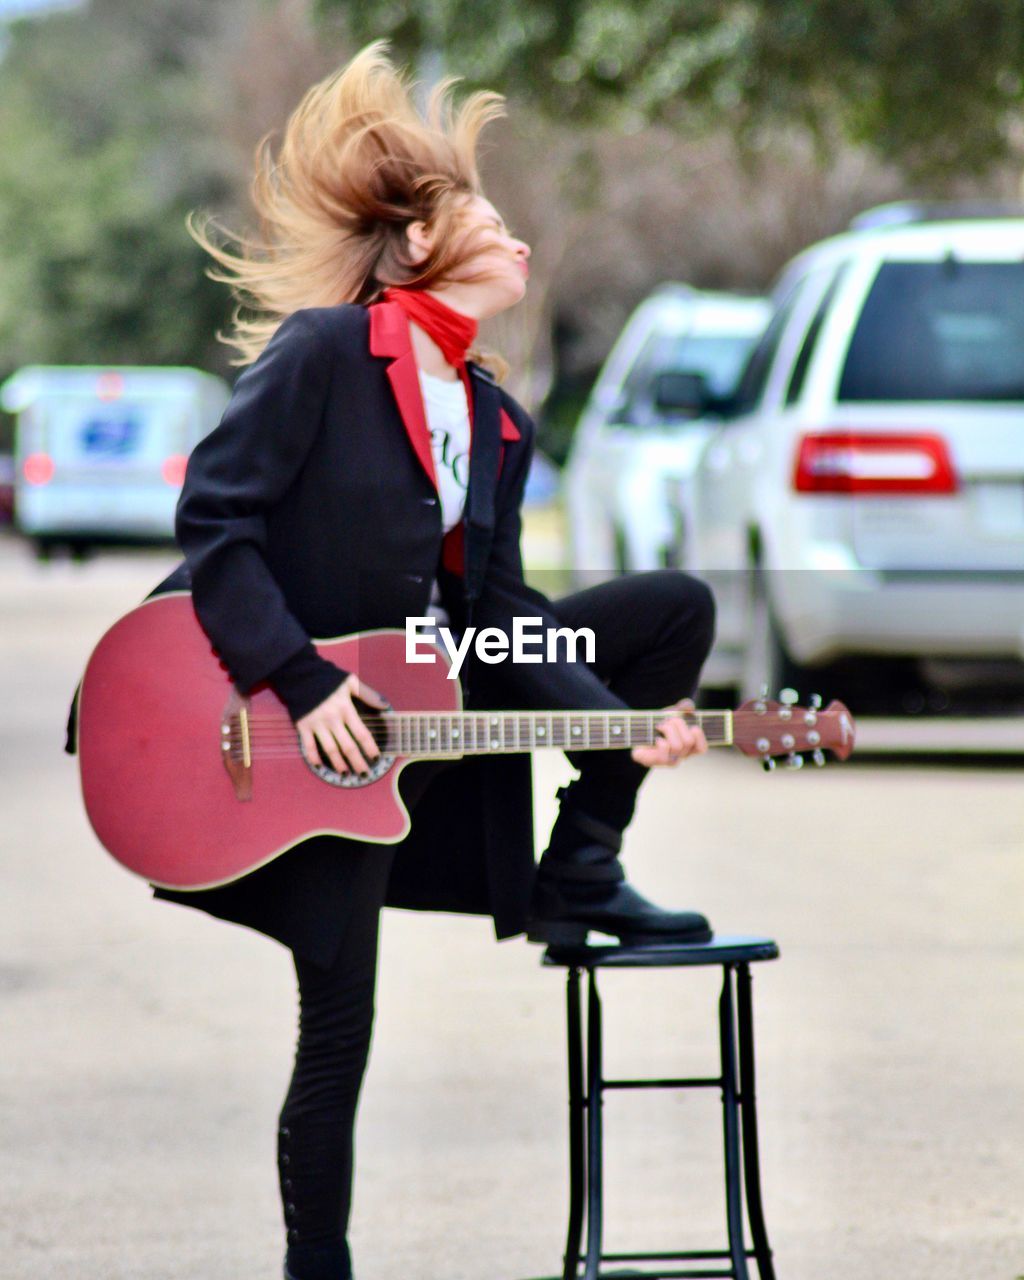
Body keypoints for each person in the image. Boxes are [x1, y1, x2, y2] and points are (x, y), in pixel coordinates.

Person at [142, 43, 716, 1280]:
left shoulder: (496, 415)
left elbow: (501, 618)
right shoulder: (319, 356)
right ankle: (318, 1268)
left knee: (672, 610)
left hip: (427, 694)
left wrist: (621, 722)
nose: (518, 245)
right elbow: (216, 524)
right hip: (292, 731)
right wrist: (298, 679)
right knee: (339, 1026)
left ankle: (583, 867)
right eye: (493, 224)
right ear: (411, 250)